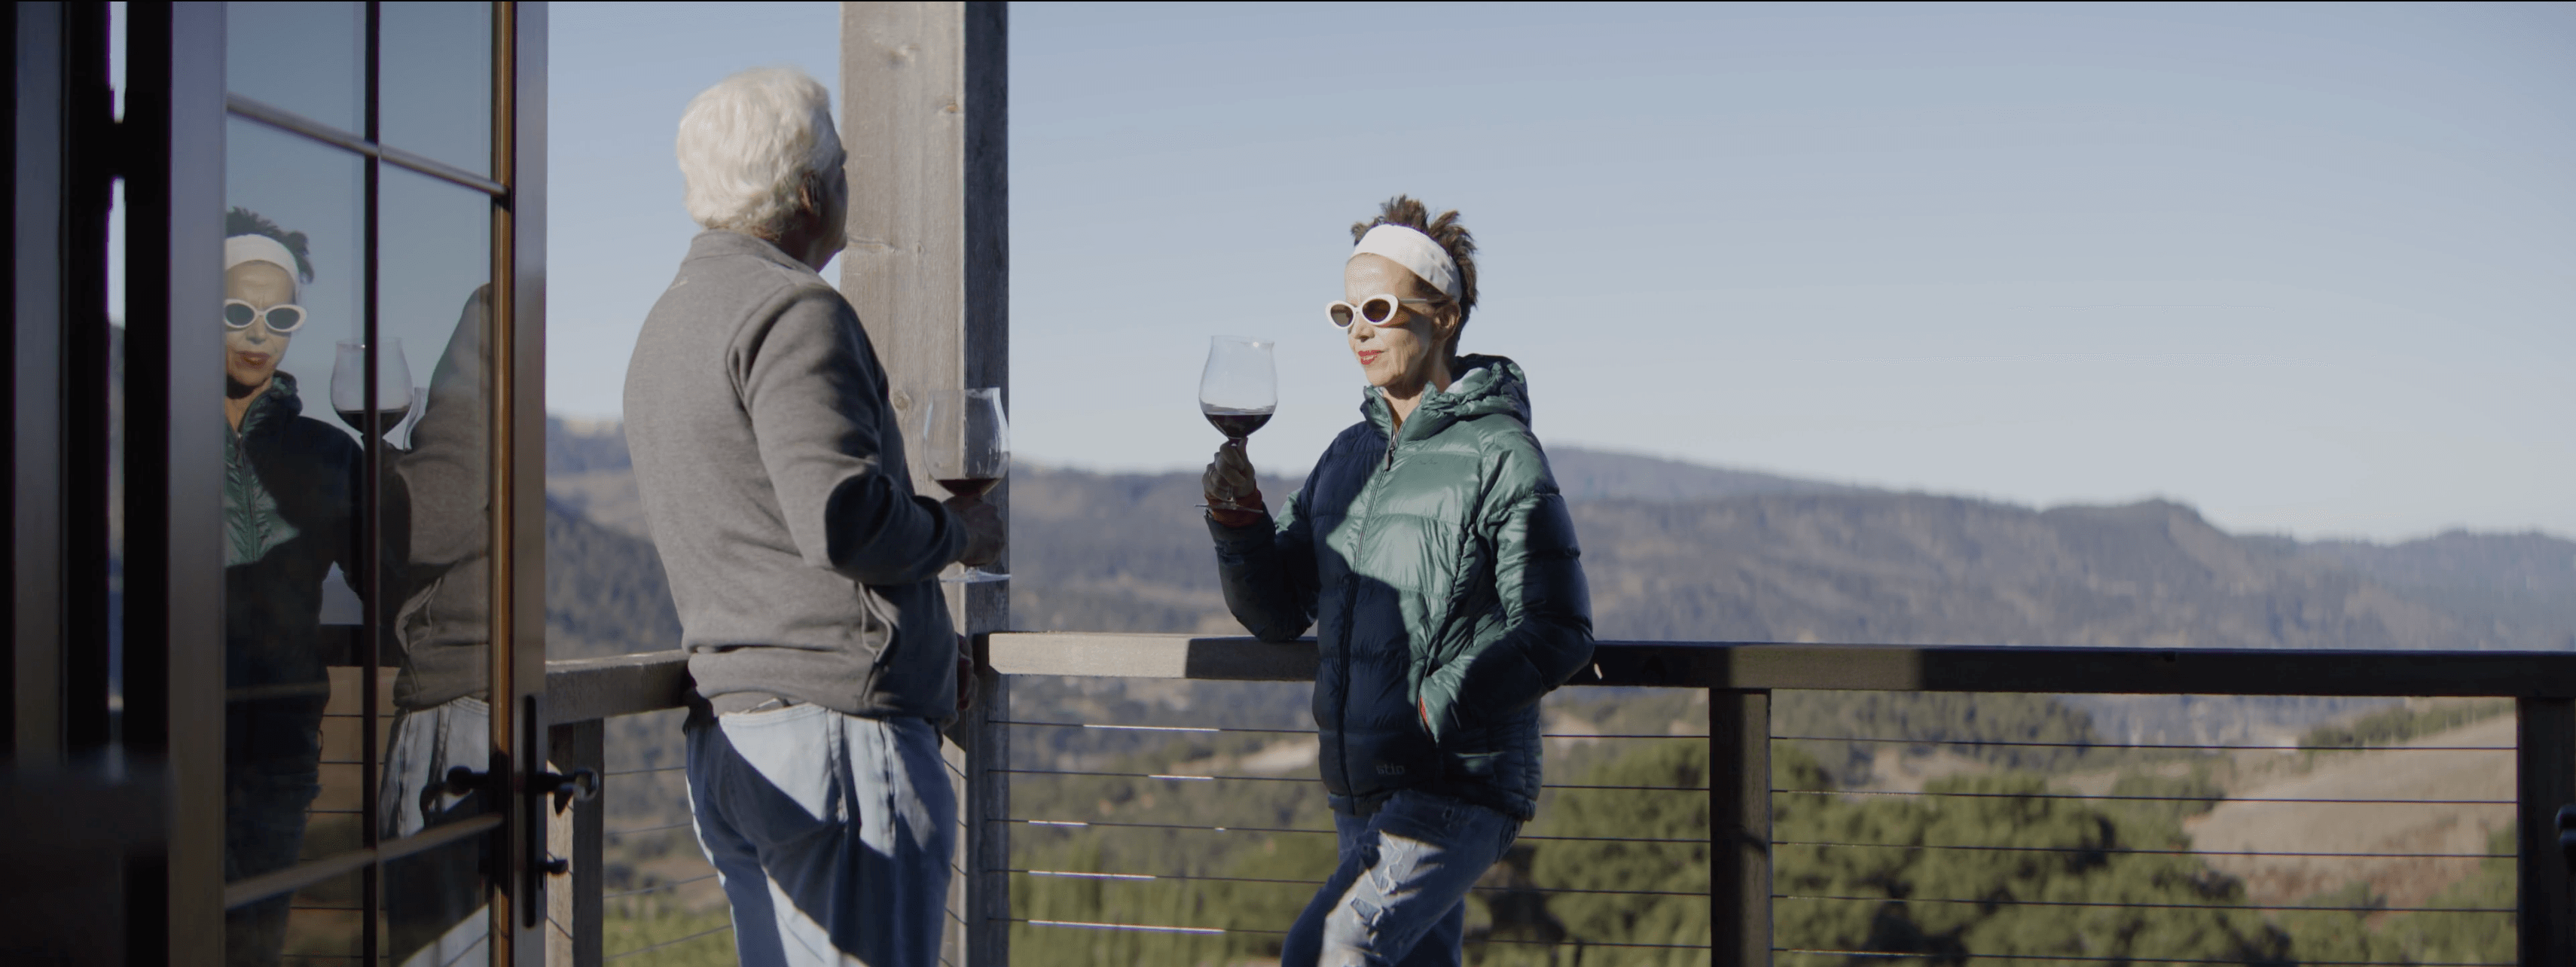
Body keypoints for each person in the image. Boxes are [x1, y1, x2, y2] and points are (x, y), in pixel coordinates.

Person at [623, 67, 1005, 967]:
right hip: (834, 742)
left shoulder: (669, 321)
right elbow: (842, 523)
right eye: (843, 166)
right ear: (809, 189)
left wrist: (911, 647)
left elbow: (759, 535)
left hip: (737, 738)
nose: (848, 183)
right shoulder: (795, 311)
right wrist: (959, 536)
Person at [1202, 197, 1595, 967]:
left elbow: (1559, 630)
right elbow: (1281, 612)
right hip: (1361, 788)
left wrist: (1433, 704)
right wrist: (1240, 523)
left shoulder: (1501, 453)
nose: (1358, 328)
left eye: (1378, 307)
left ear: (1443, 314)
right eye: (1344, 310)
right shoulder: (1346, 456)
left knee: (1326, 947)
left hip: (1457, 783)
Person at [219, 209, 369, 965]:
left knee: (255, 944)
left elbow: (384, 576)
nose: (257, 332)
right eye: (237, 311)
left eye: (278, 316)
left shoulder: (329, 453)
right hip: (167, 734)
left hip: (279, 739)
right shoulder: (147, 435)